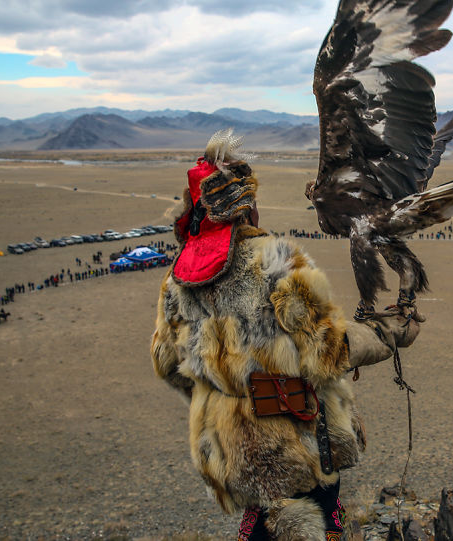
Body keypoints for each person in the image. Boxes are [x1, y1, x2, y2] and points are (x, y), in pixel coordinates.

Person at [151, 133, 421, 541]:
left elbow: (167, 364)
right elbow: (327, 352)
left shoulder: (177, 280)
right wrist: (389, 333)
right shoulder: (276, 260)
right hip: (301, 444)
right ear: (248, 206)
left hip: (231, 454)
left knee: (260, 529)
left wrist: (225, 396)